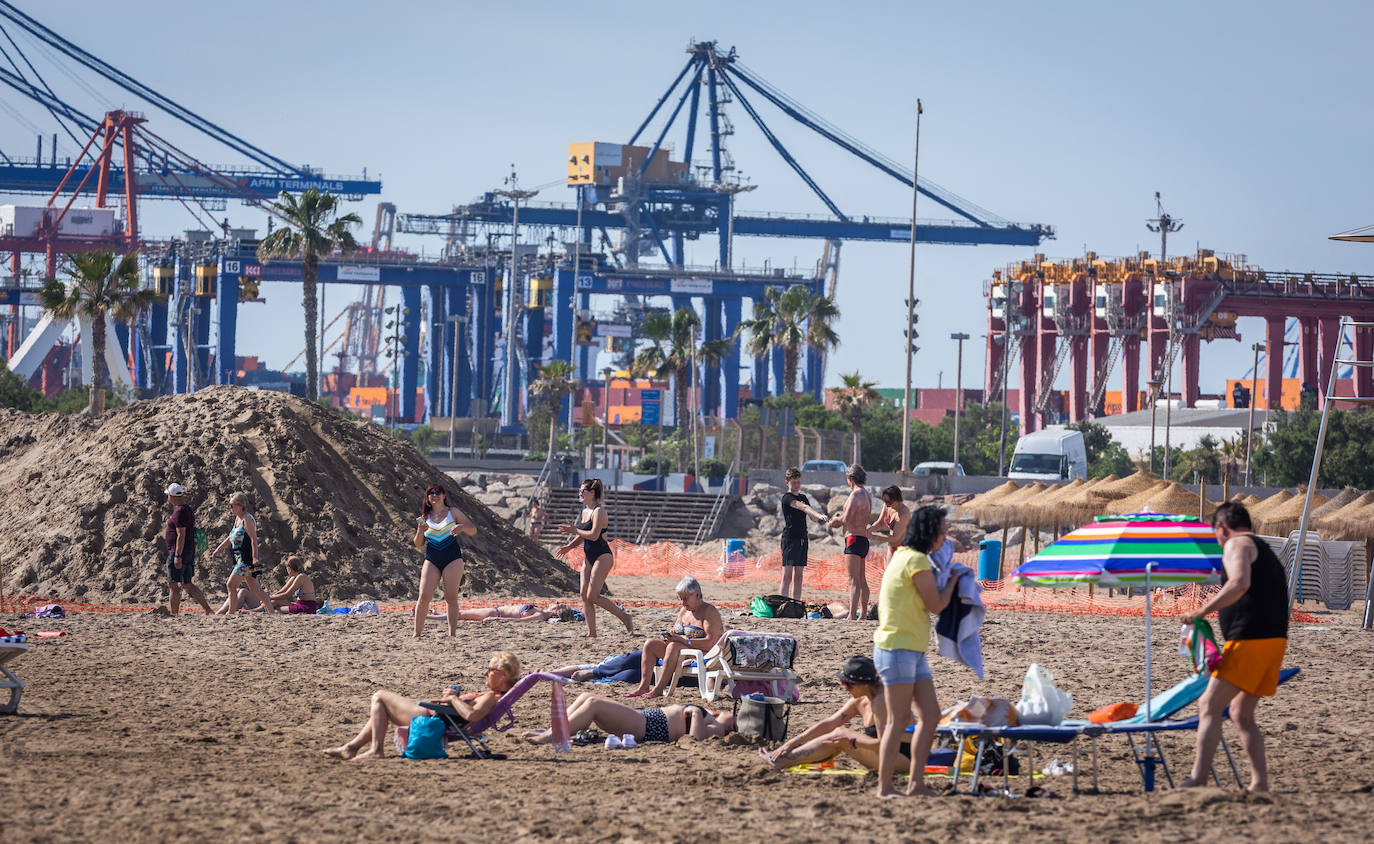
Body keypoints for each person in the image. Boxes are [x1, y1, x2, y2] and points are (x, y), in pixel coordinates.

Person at [1179, 501, 1290, 792]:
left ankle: (1198, 778)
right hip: (1274, 641)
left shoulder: (1236, 544)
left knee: (1209, 704)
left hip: (1251, 639)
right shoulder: (1261, 547)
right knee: (1241, 713)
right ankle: (1259, 783)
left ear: (1222, 528)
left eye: (1216, 535)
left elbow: (1239, 583)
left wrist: (1201, 611)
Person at [873, 505, 958, 798]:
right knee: (897, 722)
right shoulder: (916, 560)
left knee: (931, 715)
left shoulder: (904, 556)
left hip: (911, 649)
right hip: (897, 649)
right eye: (943, 532)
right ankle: (885, 787)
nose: (945, 538)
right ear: (930, 532)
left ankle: (915, 783)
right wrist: (955, 582)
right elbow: (936, 605)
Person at [324, 652, 520, 760]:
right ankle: (351, 748)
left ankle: (375, 750)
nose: (485, 672)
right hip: (437, 717)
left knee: (380, 696)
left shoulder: (491, 697)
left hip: (429, 719)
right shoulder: (495, 696)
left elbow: (473, 716)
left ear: (503, 675)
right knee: (381, 707)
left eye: (490, 669)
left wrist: (453, 699)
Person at [759, 655, 904, 770]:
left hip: (901, 759)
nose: (845, 688)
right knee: (838, 733)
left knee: (840, 735)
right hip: (887, 756)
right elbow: (829, 723)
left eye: (848, 684)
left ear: (864, 684)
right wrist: (791, 743)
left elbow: (885, 744)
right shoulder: (862, 699)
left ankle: (782, 761)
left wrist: (850, 741)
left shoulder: (882, 703)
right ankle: (785, 759)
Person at [555, 478, 634, 638]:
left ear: (592, 493)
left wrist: (575, 530)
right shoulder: (585, 511)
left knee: (593, 595)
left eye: (582, 491)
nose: (580, 493)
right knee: (584, 595)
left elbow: (593, 535)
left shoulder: (599, 511)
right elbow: (582, 534)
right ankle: (592, 633)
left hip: (603, 556)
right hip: (589, 556)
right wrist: (569, 546)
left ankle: (625, 617)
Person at [624, 576, 724, 699]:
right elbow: (677, 630)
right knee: (650, 644)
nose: (683, 603)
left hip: (702, 654)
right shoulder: (684, 611)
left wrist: (684, 640)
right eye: (681, 599)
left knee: (674, 646)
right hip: (680, 650)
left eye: (686, 599)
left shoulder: (709, 611)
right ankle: (643, 686)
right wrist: (672, 635)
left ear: (697, 595)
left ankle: (659, 688)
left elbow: (712, 642)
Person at [521, 694, 734, 745]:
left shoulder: (718, 728)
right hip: (644, 718)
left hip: (646, 726)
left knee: (594, 704)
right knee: (586, 697)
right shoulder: (714, 717)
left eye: (734, 713)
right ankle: (555, 729)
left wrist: (695, 714)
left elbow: (695, 740)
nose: (731, 711)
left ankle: (552, 735)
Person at [412, 483, 477, 638]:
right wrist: (420, 531)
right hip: (432, 559)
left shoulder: (452, 512)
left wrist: (461, 527)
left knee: (451, 597)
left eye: (438, 492)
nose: (435, 495)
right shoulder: (425, 517)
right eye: (431, 493)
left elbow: (473, 530)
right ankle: (416, 634)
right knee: (423, 596)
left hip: (452, 559)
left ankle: (452, 634)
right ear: (427, 497)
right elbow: (418, 544)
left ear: (444, 495)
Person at [212, 492, 273, 615]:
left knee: (230, 584)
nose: (230, 508)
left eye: (232, 505)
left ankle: (231, 612)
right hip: (239, 558)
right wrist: (218, 549)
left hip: (246, 559)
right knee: (256, 589)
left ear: (240, 505)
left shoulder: (247, 519)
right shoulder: (238, 519)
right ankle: (272, 612)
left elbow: (253, 539)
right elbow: (230, 538)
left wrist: (255, 557)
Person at [828, 464, 874, 619]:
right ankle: (863, 615)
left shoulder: (855, 495)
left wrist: (835, 520)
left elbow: (846, 518)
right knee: (862, 579)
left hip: (852, 538)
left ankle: (853, 615)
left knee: (853, 579)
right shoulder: (867, 495)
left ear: (851, 479)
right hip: (863, 538)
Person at [778, 467, 828, 600]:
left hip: (802, 538)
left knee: (799, 576)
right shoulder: (787, 498)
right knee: (787, 575)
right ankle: (783, 602)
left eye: (798, 482)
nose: (796, 485)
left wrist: (823, 518)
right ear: (787, 482)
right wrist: (817, 513)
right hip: (790, 538)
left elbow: (811, 517)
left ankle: (796, 603)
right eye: (794, 482)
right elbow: (802, 507)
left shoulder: (803, 497)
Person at [162, 482, 211, 615]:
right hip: (188, 550)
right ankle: (208, 609)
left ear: (172, 496)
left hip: (179, 552)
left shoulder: (179, 511)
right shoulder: (187, 509)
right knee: (187, 584)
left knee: (173, 585)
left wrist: (177, 556)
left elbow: (181, 535)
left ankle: (174, 614)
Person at [868, 485, 911, 557]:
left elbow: (895, 538)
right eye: (884, 501)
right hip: (892, 545)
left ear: (897, 499)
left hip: (902, 548)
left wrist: (873, 537)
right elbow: (880, 523)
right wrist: (868, 530)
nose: (887, 504)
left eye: (889, 502)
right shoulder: (887, 506)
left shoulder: (904, 514)